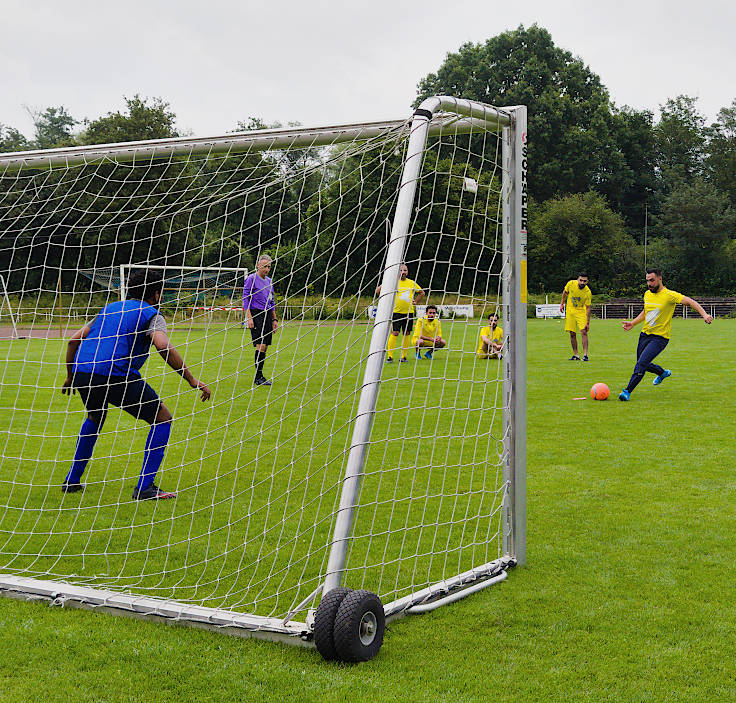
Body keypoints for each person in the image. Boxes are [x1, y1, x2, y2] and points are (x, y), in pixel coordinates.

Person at [61, 270, 211, 500]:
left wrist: (71, 375)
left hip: (83, 371)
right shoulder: (152, 314)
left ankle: (72, 481)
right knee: (163, 418)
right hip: (115, 374)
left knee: (95, 416)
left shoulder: (108, 308)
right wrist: (192, 379)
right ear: (157, 293)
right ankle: (145, 488)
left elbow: (73, 340)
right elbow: (162, 346)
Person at [618, 268, 713, 401]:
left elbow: (690, 302)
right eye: (647, 281)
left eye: (652, 280)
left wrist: (704, 315)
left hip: (660, 338)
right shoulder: (647, 294)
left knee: (640, 365)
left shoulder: (669, 295)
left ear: (659, 279)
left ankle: (627, 391)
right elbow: (647, 312)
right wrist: (633, 323)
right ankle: (662, 373)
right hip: (644, 335)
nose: (649, 284)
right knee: (642, 363)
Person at [375, 263, 424, 363]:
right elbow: (378, 290)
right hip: (396, 312)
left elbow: (422, 292)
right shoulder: (392, 282)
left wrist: (416, 301)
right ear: (397, 272)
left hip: (409, 312)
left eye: (405, 270)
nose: (403, 272)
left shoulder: (411, 283)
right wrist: (386, 300)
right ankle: (390, 356)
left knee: (406, 333)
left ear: (407, 272)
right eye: (401, 270)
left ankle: (403, 357)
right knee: (395, 332)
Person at [243, 255, 279, 386]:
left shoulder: (269, 281)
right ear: (258, 266)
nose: (267, 269)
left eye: (269, 267)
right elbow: (245, 299)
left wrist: (274, 319)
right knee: (261, 345)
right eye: (264, 266)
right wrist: (249, 317)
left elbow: (271, 301)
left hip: (268, 315)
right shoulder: (251, 279)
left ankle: (260, 376)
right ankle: (258, 377)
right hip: (256, 314)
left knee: (266, 346)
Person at [559, 273, 592, 360]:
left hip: (581, 311)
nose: (582, 282)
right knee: (572, 333)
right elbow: (565, 292)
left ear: (587, 282)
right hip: (570, 311)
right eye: (580, 280)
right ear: (578, 279)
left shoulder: (588, 292)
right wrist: (562, 304)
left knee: (584, 332)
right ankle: (576, 355)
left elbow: (588, 308)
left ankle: (585, 355)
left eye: (584, 281)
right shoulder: (570, 284)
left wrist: (588, 323)